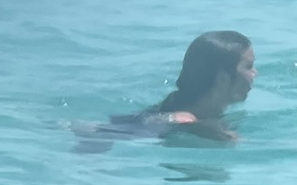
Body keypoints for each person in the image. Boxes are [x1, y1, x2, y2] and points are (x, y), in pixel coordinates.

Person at [107, 30, 256, 143]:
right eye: (249, 67)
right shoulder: (185, 120)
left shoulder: (184, 105)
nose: (254, 74)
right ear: (223, 78)